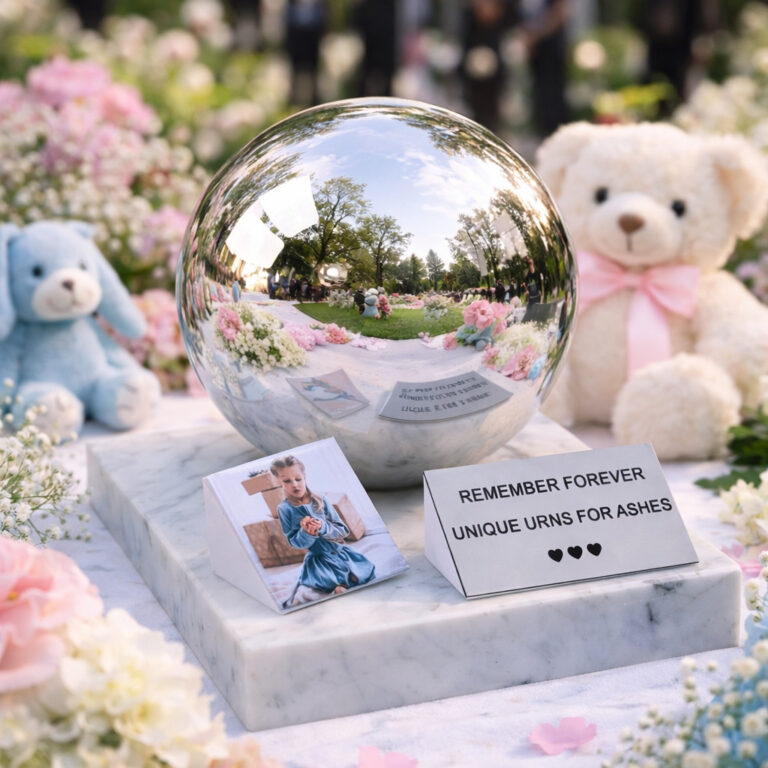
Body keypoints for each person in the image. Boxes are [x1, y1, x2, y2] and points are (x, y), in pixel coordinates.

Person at [271, 455, 375, 607]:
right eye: (287, 481)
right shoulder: (284, 509)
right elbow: (294, 542)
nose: (295, 485)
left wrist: (322, 527)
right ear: (278, 482)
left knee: (363, 573)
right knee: (329, 582)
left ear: (304, 476)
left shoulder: (320, 499)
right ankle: (337, 588)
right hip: (319, 560)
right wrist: (307, 532)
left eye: (298, 479)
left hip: (341, 552)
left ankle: (346, 583)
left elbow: (343, 531)